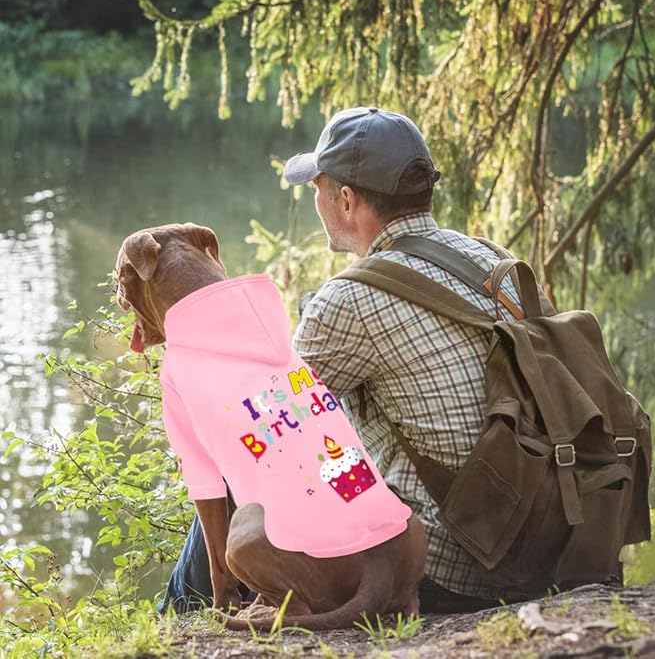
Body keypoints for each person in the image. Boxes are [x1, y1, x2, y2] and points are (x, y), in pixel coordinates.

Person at [159, 106, 526, 614]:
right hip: (538, 541)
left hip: (451, 564)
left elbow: (263, 431)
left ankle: (179, 611)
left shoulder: (349, 300)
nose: (316, 201)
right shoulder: (493, 261)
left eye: (317, 188)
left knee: (251, 441)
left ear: (347, 200)